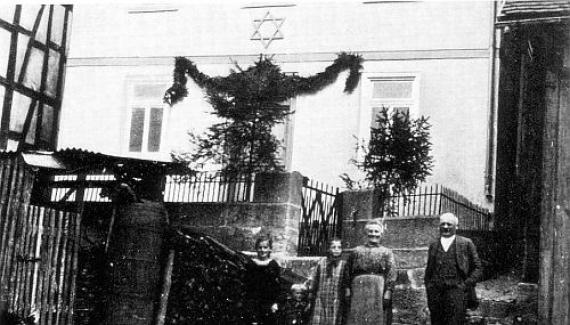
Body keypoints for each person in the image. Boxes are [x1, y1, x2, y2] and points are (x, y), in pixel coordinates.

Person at [425, 212, 482, 325]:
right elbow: (429, 269)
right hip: (436, 293)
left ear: (456, 227)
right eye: (443, 224)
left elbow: (478, 268)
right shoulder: (434, 244)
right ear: (439, 226)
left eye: (449, 224)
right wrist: (429, 287)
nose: (446, 227)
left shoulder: (466, 243)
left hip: (457, 292)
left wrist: (465, 285)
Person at [345, 219, 396, 325]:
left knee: (376, 318)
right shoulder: (356, 251)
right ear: (366, 233)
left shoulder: (386, 252)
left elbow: (391, 273)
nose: (373, 234)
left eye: (376, 232)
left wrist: (388, 292)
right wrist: (347, 289)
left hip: (378, 289)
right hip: (358, 289)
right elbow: (347, 271)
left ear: (381, 234)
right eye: (371, 231)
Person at [308, 238, 350, 325]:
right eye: (333, 247)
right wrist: (312, 292)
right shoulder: (321, 263)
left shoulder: (344, 264)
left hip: (336, 299)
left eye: (339, 247)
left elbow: (346, 282)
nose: (336, 250)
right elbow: (315, 279)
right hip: (322, 298)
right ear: (329, 249)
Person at [246, 235, 282, 325]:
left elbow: (277, 286)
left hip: (268, 303)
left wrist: (276, 303)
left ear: (270, 249)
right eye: (260, 247)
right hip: (253, 302)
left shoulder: (273, 265)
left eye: (265, 247)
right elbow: (247, 284)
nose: (262, 250)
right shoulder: (251, 264)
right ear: (256, 249)